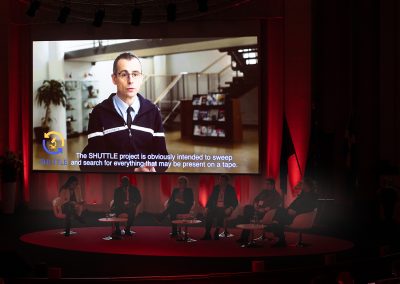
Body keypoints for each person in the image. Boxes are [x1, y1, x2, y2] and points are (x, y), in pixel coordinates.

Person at [80, 52, 169, 173]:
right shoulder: (99, 113)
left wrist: (153, 169)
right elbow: (95, 161)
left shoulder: (153, 111)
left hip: (146, 184)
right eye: (124, 74)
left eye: (135, 74)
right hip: (112, 185)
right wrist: (133, 170)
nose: (130, 80)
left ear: (141, 78)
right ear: (114, 79)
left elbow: (163, 157)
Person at [266, 177, 318, 247]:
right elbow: (293, 204)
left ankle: (278, 231)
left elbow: (310, 208)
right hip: (291, 214)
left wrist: (296, 212)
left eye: (301, 183)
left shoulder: (313, 196)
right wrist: (289, 209)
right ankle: (276, 226)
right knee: (280, 211)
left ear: (307, 185)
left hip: (300, 216)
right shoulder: (302, 194)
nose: (300, 185)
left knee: (279, 218)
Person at [237, 177, 282, 244]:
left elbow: (276, 204)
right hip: (257, 210)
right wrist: (255, 205)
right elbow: (256, 199)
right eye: (265, 184)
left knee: (247, 217)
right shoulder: (263, 192)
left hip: (265, 213)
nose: (266, 186)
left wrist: (265, 209)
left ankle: (244, 236)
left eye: (268, 184)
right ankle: (244, 234)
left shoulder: (276, 195)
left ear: (272, 185)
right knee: (247, 207)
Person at [201, 174, 239, 240]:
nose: (221, 181)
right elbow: (210, 199)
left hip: (226, 208)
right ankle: (207, 233)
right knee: (208, 214)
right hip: (214, 207)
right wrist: (206, 208)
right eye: (220, 180)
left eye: (223, 180)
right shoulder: (216, 188)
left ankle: (217, 231)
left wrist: (230, 208)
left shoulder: (230, 189)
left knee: (220, 212)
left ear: (227, 181)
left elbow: (235, 202)